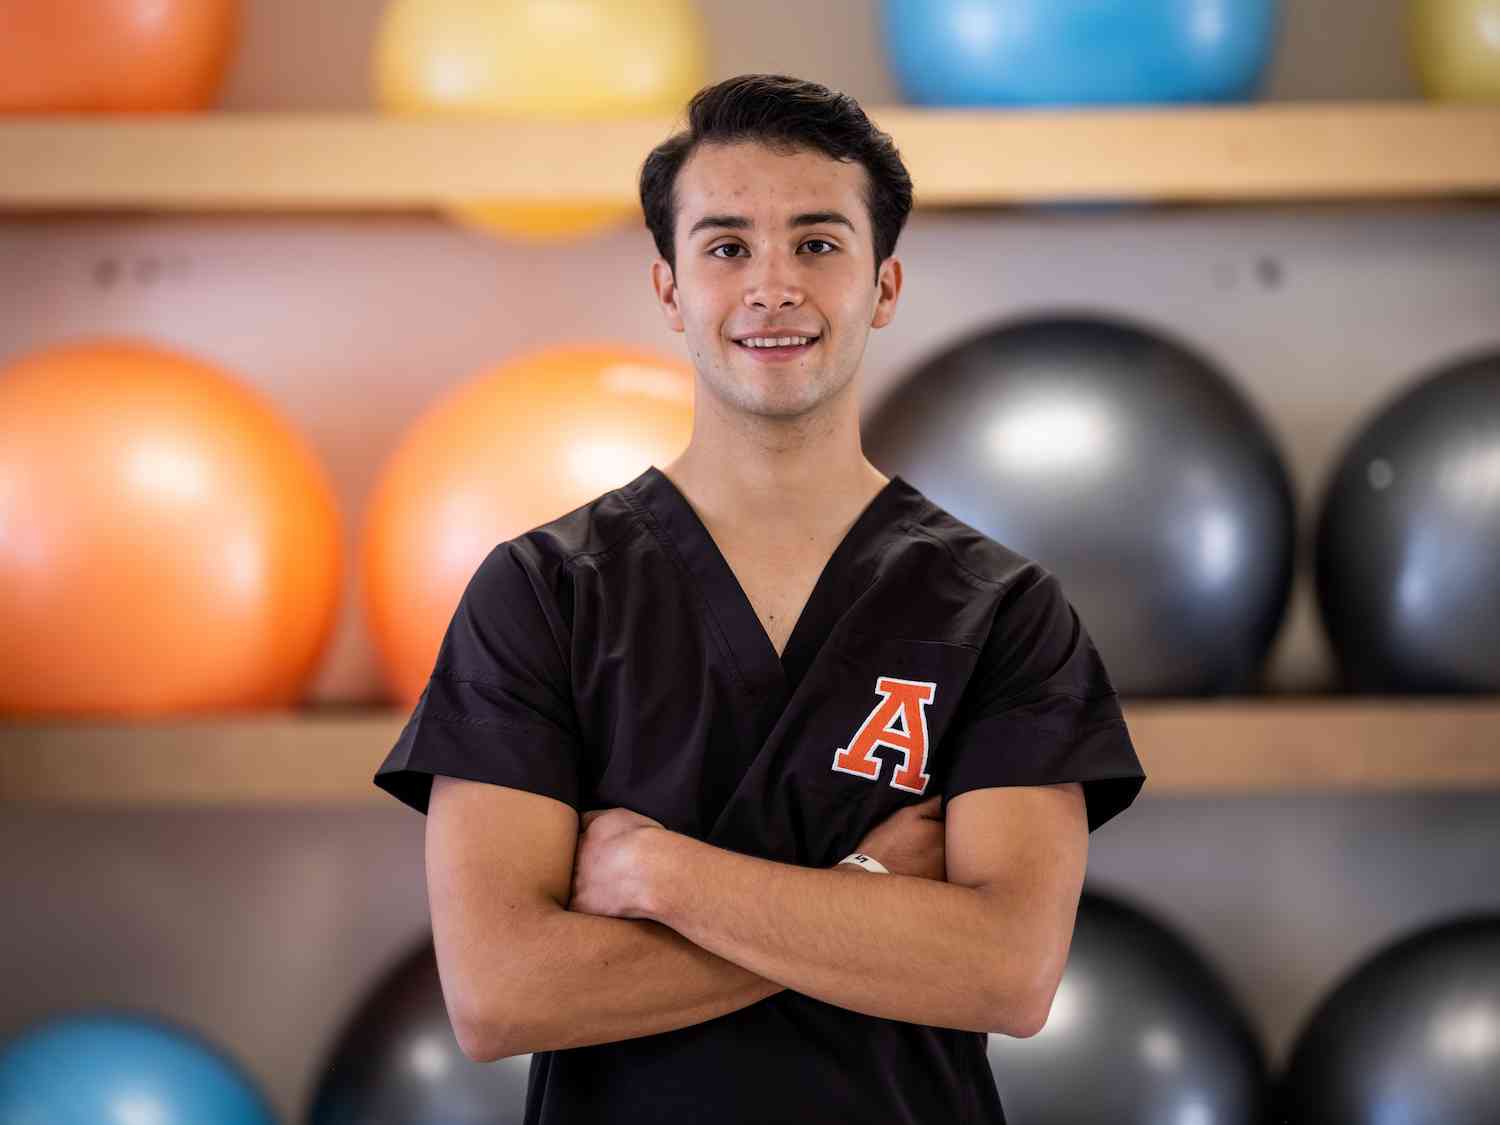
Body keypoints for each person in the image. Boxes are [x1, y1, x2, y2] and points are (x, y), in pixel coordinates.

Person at [374, 73, 1146, 1124]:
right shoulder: (541, 595)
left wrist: (660, 874)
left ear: (884, 285)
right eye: (727, 246)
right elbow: (502, 991)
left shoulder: (1003, 611)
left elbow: (1007, 975)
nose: (773, 286)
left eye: (819, 244)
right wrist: (872, 894)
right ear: (670, 288)